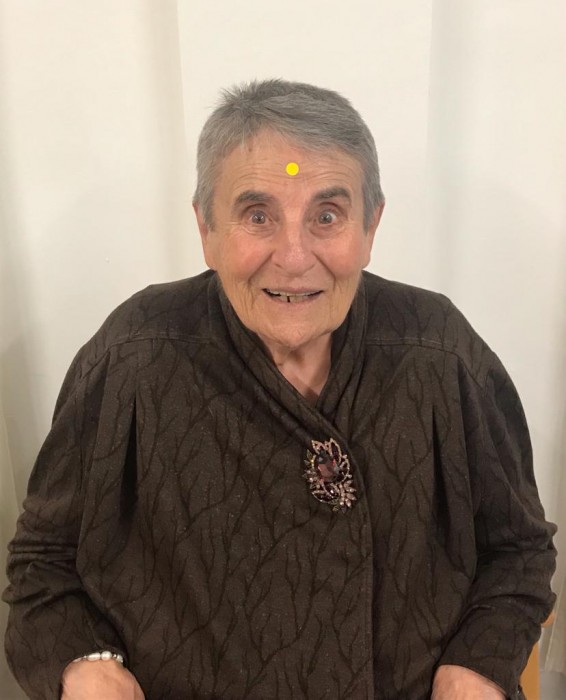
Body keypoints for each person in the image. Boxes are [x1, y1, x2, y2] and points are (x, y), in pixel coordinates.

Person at [3, 79, 556, 700]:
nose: (294, 258)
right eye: (258, 215)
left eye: (327, 215)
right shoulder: (134, 355)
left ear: (371, 226)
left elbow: (519, 552)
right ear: (206, 228)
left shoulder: (440, 351)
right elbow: (43, 564)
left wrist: (476, 668)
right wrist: (85, 665)